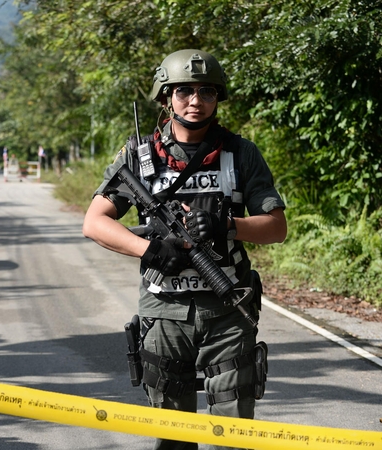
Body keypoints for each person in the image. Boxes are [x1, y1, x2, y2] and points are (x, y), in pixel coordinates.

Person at [82, 49, 287, 450]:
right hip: (164, 313)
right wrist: (149, 251)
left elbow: (276, 228)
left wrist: (228, 224)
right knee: (172, 436)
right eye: (184, 91)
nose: (196, 101)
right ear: (165, 97)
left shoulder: (241, 154)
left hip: (228, 309)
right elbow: (95, 222)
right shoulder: (139, 158)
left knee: (233, 434)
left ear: (218, 97)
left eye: (206, 91)